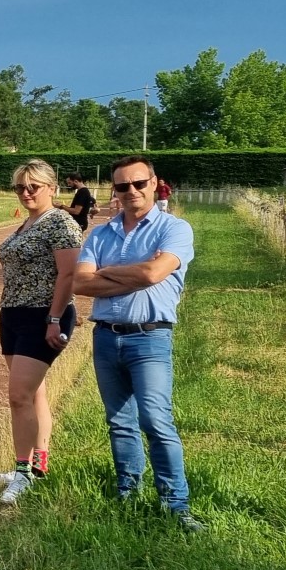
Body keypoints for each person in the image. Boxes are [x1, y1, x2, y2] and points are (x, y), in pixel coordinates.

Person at [73, 155, 202, 531]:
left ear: (154, 183)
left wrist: (108, 273)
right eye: (122, 186)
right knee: (119, 422)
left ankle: (176, 504)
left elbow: (154, 273)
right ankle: (127, 492)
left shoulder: (174, 229)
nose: (131, 192)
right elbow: (80, 284)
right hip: (106, 336)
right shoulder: (100, 233)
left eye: (138, 184)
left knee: (156, 420)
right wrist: (138, 274)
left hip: (150, 336)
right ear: (114, 190)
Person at [0, 160, 83, 505]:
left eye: (33, 186)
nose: (26, 192)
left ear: (52, 188)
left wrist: (54, 318)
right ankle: (37, 463)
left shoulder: (61, 223)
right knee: (33, 393)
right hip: (13, 313)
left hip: (45, 316)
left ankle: (22, 472)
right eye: (20, 187)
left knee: (18, 396)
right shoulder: (28, 223)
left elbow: (70, 274)